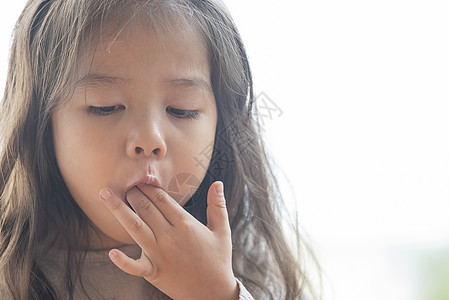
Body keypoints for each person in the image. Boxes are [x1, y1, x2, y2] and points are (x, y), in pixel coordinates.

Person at [0, 0, 318, 299]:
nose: (150, 140)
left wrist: (217, 292)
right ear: (40, 125)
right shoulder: (9, 272)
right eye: (105, 107)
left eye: (183, 110)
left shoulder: (246, 261)